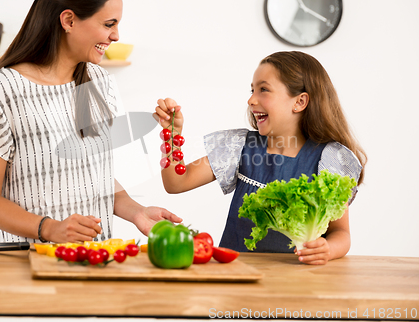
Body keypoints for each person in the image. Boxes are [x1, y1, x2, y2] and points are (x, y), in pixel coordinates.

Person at [0, 0, 181, 244]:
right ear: (68, 20)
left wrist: (137, 212)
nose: (115, 36)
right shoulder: (4, 90)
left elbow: (93, 177)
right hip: (23, 264)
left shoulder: (99, 83)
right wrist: (49, 228)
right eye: (108, 24)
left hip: (90, 258)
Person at [154, 51, 366, 265]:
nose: (251, 99)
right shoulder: (240, 147)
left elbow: (341, 233)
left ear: (300, 102)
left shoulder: (328, 160)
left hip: (300, 282)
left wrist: (328, 249)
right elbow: (176, 182)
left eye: (263, 90)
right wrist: (172, 134)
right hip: (238, 277)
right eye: (252, 90)